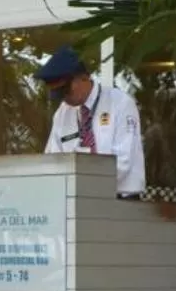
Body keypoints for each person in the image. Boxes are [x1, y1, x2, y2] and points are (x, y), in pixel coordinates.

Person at [36, 45, 146, 197]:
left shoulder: (120, 104)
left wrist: (84, 186)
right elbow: (53, 161)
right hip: (76, 199)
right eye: (58, 94)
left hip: (119, 199)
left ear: (84, 77)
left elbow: (122, 162)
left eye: (66, 90)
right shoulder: (62, 113)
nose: (64, 98)